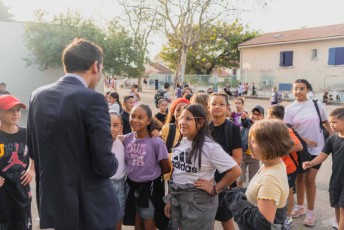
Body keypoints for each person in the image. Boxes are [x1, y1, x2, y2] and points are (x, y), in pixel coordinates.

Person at [26, 38, 122, 229]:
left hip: (53, 204)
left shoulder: (37, 95)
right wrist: (115, 163)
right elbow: (104, 164)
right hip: (89, 210)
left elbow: (33, 151)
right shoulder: (93, 99)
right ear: (95, 66)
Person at [164, 104, 241, 229]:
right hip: (177, 199)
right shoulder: (181, 141)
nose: (182, 122)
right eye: (181, 118)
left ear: (200, 122)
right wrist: (169, 199)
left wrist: (216, 188)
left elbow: (235, 171)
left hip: (199, 204)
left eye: (188, 119)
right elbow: (177, 172)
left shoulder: (210, 147)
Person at [284, 79, 333, 227]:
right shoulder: (289, 109)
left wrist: (333, 137)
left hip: (318, 148)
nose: (298, 91)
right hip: (300, 148)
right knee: (300, 178)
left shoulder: (316, 104)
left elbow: (325, 122)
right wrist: (304, 139)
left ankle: (311, 211)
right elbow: (289, 130)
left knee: (310, 179)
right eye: (296, 89)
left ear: (308, 90)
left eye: (302, 88)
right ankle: (300, 206)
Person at [123, 104, 171, 230]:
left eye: (140, 117)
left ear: (149, 120)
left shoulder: (156, 142)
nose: (135, 120)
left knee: (149, 223)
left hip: (149, 189)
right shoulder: (127, 138)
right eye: (133, 116)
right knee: (137, 223)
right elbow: (112, 138)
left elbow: (166, 168)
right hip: (132, 187)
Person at [302, 107, 344, 230]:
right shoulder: (332, 139)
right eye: (330, 122)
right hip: (336, 179)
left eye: (335, 122)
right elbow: (322, 155)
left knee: (342, 210)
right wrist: (311, 163)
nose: (331, 125)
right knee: (337, 207)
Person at [244, 119, 292, 225]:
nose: (250, 145)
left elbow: (262, 226)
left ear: (269, 145)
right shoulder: (273, 164)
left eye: (254, 141)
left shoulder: (269, 180)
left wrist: (238, 206)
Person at [208, 92, 243, 230]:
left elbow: (237, 159)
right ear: (208, 106)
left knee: (226, 219)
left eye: (221, 104)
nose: (217, 107)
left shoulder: (233, 129)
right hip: (207, 180)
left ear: (227, 107)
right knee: (207, 218)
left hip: (226, 180)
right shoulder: (204, 129)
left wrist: (216, 163)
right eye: (214, 104)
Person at [0, 95, 34, 230]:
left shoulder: (26, 133)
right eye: (10, 110)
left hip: (22, 193)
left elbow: (35, 154)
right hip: (2, 195)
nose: (16, 114)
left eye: (18, 110)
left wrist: (32, 170)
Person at [267, 105, 303, 229]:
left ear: (271, 115)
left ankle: (288, 217)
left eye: (268, 114)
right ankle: (277, 216)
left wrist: (279, 151)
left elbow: (299, 146)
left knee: (288, 193)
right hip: (277, 167)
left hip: (288, 168)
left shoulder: (285, 129)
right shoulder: (274, 128)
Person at [160, 98, 190, 180]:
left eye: (185, 110)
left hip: (185, 177)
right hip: (168, 176)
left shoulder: (192, 132)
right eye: (178, 110)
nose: (181, 113)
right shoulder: (167, 129)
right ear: (173, 112)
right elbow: (160, 151)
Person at [237, 105, 264, 188]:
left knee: (254, 177)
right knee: (240, 177)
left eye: (258, 114)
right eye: (253, 113)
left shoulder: (263, 126)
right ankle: (238, 194)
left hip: (255, 156)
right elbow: (243, 122)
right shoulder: (247, 122)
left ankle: (250, 196)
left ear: (262, 116)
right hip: (243, 154)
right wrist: (243, 118)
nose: (255, 116)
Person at [109, 112, 126, 230]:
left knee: (118, 217)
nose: (111, 129)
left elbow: (140, 135)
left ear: (121, 128)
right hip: (103, 185)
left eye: (115, 125)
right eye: (107, 124)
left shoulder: (123, 140)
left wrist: (154, 132)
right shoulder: (95, 142)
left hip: (120, 185)